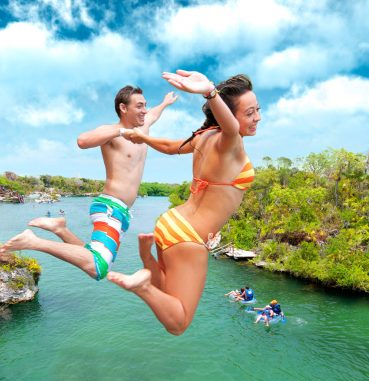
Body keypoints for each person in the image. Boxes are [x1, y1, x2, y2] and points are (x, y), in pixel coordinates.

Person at [107, 69, 261, 335]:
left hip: (171, 222)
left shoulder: (204, 136)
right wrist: (210, 92)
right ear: (229, 114)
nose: (257, 117)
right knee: (178, 323)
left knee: (169, 294)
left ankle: (146, 258)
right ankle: (142, 285)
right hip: (189, 236)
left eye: (257, 109)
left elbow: (169, 146)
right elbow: (232, 129)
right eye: (249, 112)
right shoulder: (229, 141)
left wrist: (143, 137)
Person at [0, 87, 177, 280]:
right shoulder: (111, 131)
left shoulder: (143, 129)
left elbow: (153, 115)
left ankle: (60, 228)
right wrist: (121, 131)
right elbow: (82, 141)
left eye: (145, 106)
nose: (144, 110)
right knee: (98, 267)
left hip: (122, 211)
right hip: (110, 207)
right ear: (123, 108)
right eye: (139, 106)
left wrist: (165, 103)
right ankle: (33, 241)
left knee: (92, 255)